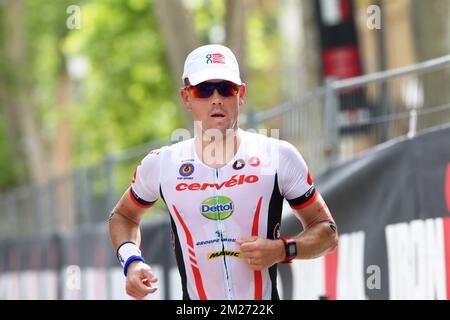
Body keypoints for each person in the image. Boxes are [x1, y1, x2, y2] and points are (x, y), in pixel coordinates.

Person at [108, 44, 338, 300]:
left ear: (241, 94)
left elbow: (327, 231)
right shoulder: (162, 164)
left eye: (226, 89)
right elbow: (123, 217)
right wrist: (131, 261)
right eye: (204, 90)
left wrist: (282, 249)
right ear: (186, 97)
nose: (216, 98)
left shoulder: (278, 156)